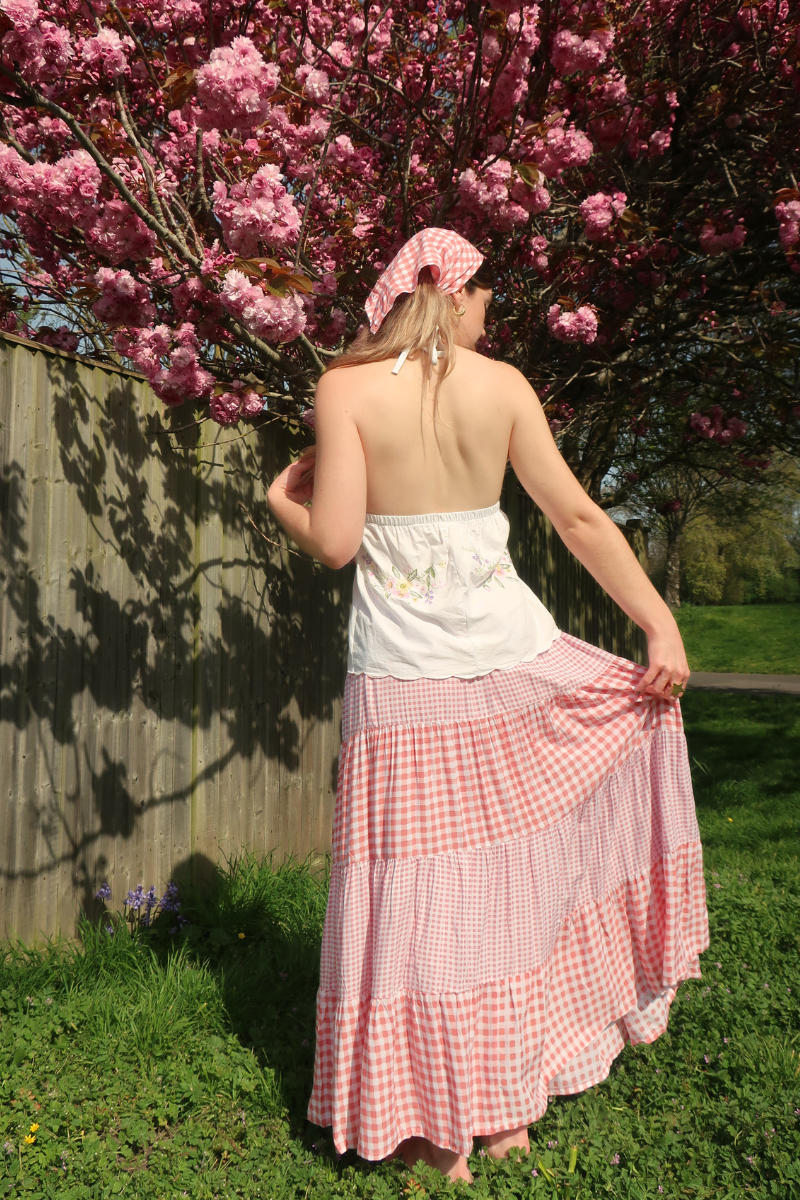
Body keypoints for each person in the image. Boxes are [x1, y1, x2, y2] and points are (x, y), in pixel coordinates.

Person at [267, 228, 710, 1183]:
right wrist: (658, 627)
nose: (487, 316)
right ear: (455, 294)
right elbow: (580, 520)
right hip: (513, 661)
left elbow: (337, 542)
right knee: (508, 877)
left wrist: (280, 503)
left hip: (401, 683)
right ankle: (504, 1108)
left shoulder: (343, 391)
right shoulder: (503, 386)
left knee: (415, 893)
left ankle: (433, 1124)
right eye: (484, 300)